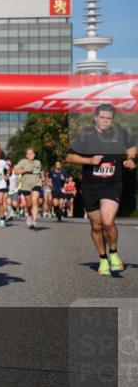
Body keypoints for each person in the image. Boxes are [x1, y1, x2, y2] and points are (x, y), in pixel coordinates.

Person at [65, 104, 136, 275]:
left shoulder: (120, 133)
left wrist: (131, 159)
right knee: (96, 226)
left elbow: (132, 146)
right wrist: (90, 161)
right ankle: (103, 257)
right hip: (91, 187)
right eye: (102, 118)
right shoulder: (85, 135)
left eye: (109, 118)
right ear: (95, 118)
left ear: (112, 120)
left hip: (112, 184)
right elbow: (69, 156)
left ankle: (113, 252)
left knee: (108, 222)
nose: (105, 121)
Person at [15, 147, 44, 229]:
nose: (31, 155)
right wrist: (25, 170)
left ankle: (34, 221)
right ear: (26, 155)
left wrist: (42, 177)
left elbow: (39, 172)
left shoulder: (38, 162)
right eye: (29, 153)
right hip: (26, 186)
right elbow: (16, 172)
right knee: (29, 204)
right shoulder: (22, 162)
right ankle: (29, 215)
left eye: (32, 153)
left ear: (34, 154)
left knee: (35, 201)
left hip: (36, 184)